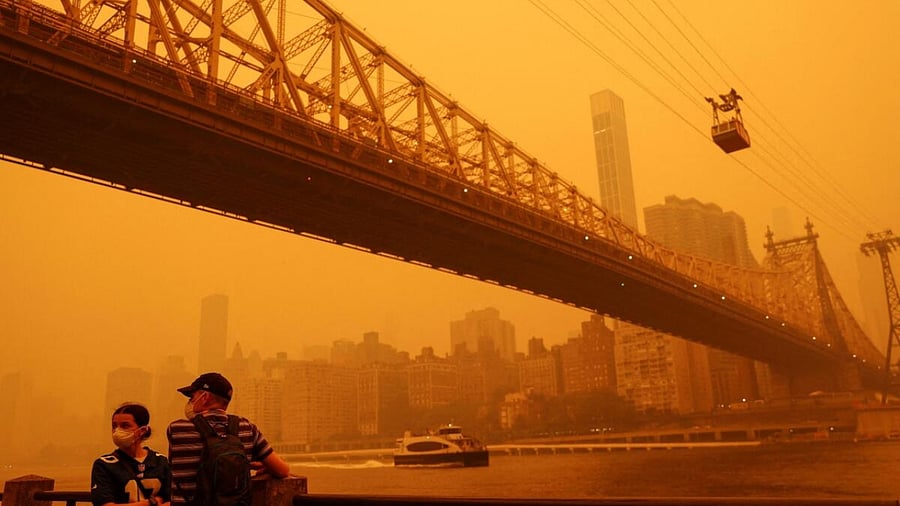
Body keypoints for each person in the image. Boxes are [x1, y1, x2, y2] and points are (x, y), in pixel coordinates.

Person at [166, 372, 290, 505]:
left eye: (192, 397)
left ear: (205, 397)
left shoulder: (177, 429)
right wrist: (265, 465)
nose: (190, 402)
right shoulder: (247, 428)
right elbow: (282, 470)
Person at [91, 403, 172, 506]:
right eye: (114, 426)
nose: (117, 431)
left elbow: (172, 500)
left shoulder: (160, 461)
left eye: (125, 425)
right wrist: (150, 503)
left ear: (142, 430)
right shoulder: (104, 465)